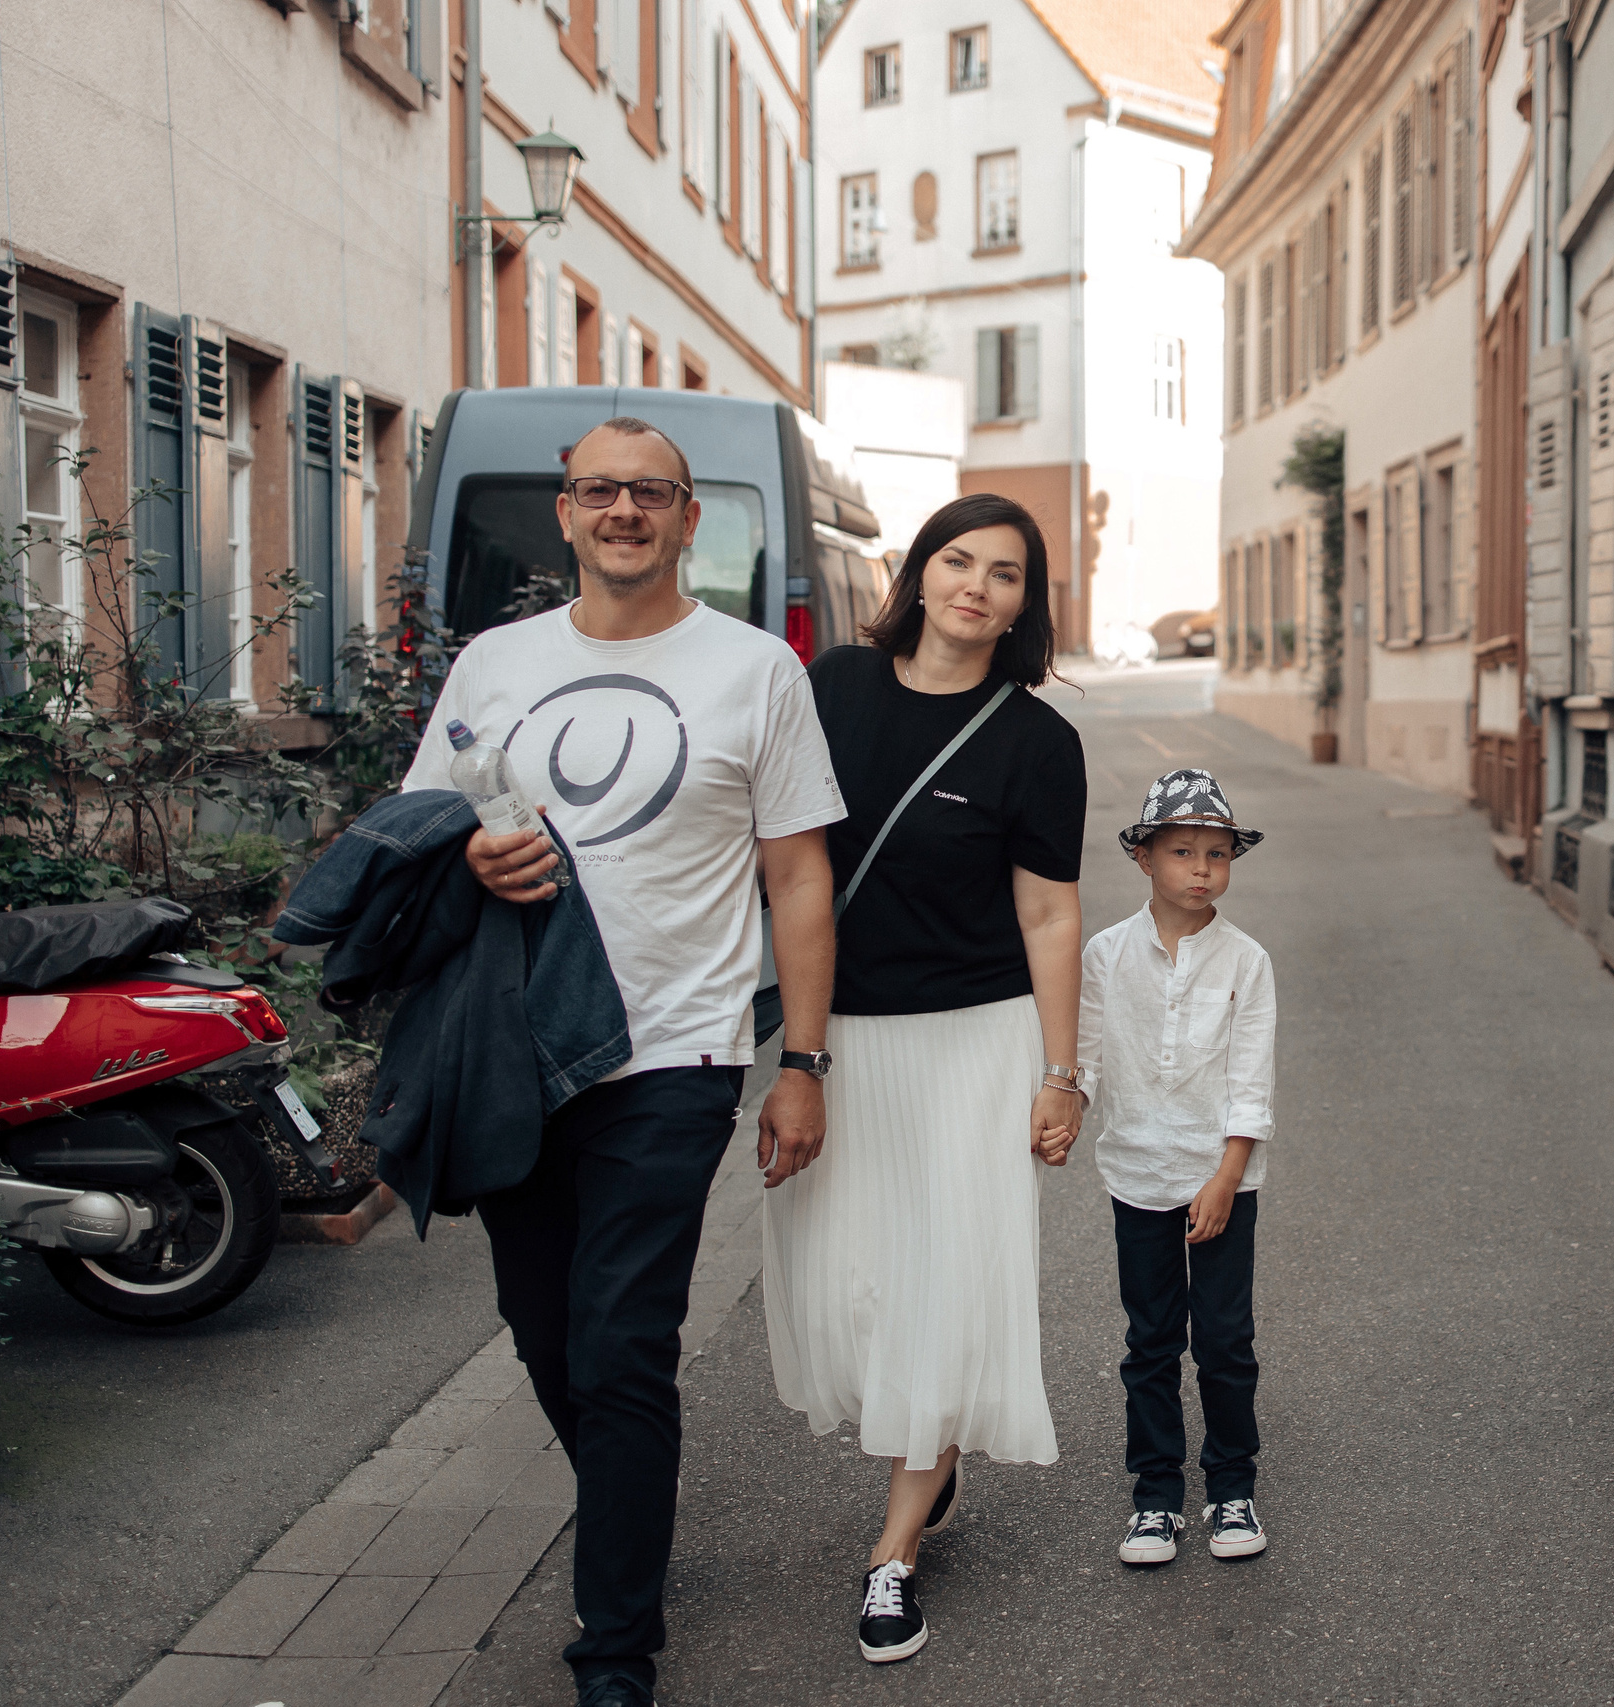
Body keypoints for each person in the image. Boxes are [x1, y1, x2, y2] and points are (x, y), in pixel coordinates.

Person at [402, 416, 845, 1707]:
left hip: (676, 1050)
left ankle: (615, 1647)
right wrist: (469, 853)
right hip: (519, 1047)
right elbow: (423, 824)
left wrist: (801, 1059)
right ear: (567, 513)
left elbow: (798, 877)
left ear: (689, 518)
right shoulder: (495, 662)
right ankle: (627, 1500)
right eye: (600, 489)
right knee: (543, 1330)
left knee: (622, 1339)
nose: (624, 511)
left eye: (651, 492)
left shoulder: (757, 670)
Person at [757, 492, 1088, 1665]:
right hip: (841, 1038)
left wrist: (1061, 1073)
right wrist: (796, 1055)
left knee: (945, 1286)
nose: (976, 587)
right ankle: (926, 1449)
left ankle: (894, 1549)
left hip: (974, 1045)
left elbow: (1049, 916)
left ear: (1024, 605)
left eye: (1006, 573)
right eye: (959, 560)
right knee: (853, 1287)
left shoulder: (1038, 743)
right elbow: (782, 859)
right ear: (917, 572)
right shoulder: (832, 689)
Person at [1078, 768, 1277, 1568]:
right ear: (1144, 857)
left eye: (1216, 853)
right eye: (1183, 851)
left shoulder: (1247, 961)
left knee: (1225, 1340)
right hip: (1137, 1174)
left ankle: (1232, 1485)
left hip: (1222, 1178)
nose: (1201, 869)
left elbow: (1252, 1081)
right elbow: (1084, 1058)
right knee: (1152, 1340)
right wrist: (1061, 1109)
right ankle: (1156, 1495)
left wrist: (1226, 1175)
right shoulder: (1105, 955)